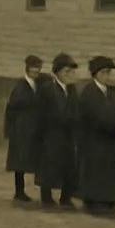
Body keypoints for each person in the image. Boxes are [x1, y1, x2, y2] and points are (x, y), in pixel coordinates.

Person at [77, 56, 115, 215]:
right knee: (96, 169)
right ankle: (94, 199)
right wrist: (113, 126)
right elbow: (98, 117)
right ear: (96, 74)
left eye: (108, 72)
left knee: (109, 169)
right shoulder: (89, 92)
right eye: (104, 72)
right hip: (95, 140)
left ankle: (108, 198)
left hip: (109, 139)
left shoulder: (109, 93)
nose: (107, 76)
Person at [34, 52, 80, 209]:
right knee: (49, 165)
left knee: (69, 166)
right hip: (51, 134)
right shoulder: (48, 90)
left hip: (68, 135)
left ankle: (66, 198)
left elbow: (75, 110)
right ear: (59, 73)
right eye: (68, 71)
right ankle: (46, 197)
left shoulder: (72, 90)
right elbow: (41, 113)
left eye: (73, 71)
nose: (71, 75)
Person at [4, 55, 43, 202]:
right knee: (19, 162)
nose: (36, 72)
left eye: (38, 68)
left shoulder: (36, 86)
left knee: (25, 160)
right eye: (33, 68)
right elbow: (11, 109)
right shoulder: (21, 87)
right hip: (21, 130)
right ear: (27, 69)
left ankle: (22, 191)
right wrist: (10, 129)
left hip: (30, 129)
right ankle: (19, 191)